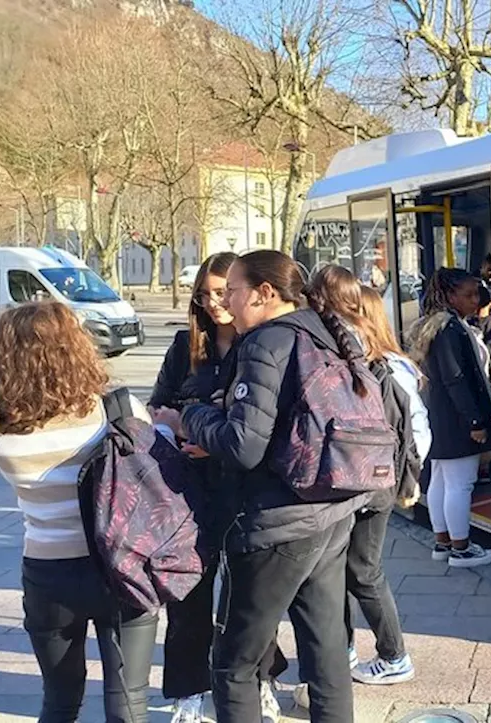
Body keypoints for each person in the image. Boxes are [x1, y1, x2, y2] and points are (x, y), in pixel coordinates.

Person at [152, 250, 368, 723]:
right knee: (327, 651)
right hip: (329, 510)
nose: (225, 301)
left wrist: (189, 417)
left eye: (232, 290)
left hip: (276, 521)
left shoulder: (266, 342)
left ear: (265, 293)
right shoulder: (323, 329)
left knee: (233, 664)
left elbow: (244, 445)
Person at [0, 302, 157, 723]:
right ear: (73, 347)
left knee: (59, 701)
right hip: (121, 567)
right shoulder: (113, 410)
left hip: (48, 573)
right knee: (129, 704)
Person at [148, 252, 287, 723]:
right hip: (189, 485)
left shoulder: (263, 342)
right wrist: (183, 428)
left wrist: (212, 431)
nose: (213, 302)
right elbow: (159, 406)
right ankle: (189, 690)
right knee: (189, 594)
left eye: (221, 290)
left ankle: (262, 679)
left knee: (249, 594)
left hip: (248, 486)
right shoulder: (187, 345)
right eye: (203, 294)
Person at [302, 267, 427, 693]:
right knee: (347, 569)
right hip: (371, 479)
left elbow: (410, 431)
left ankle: (394, 655)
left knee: (361, 571)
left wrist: (403, 478)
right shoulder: (378, 359)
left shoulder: (369, 362)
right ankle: (349, 650)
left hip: (366, 482)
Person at [405, 267, 491, 568]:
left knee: (442, 482)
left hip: (440, 418)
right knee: (461, 484)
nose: (476, 300)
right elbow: (456, 379)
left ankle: (443, 542)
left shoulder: (433, 326)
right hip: (458, 421)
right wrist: (476, 421)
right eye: (469, 294)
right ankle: (461, 547)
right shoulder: (451, 329)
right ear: (449, 296)